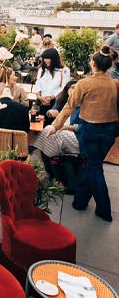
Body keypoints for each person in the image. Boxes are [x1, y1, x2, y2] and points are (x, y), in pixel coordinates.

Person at [48, 46, 119, 222]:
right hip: (110, 131)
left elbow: (68, 106)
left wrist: (55, 126)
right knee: (93, 166)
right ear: (108, 65)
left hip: (90, 130)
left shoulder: (84, 83)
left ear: (93, 64)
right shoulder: (114, 84)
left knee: (95, 168)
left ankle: (104, 210)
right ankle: (80, 201)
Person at [34, 48, 71, 126]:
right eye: (44, 58)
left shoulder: (64, 70)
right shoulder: (42, 69)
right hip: (40, 101)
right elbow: (38, 84)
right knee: (36, 125)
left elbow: (64, 87)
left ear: (53, 59)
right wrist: (39, 97)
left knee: (50, 125)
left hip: (54, 102)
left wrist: (51, 98)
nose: (45, 60)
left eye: (47, 58)